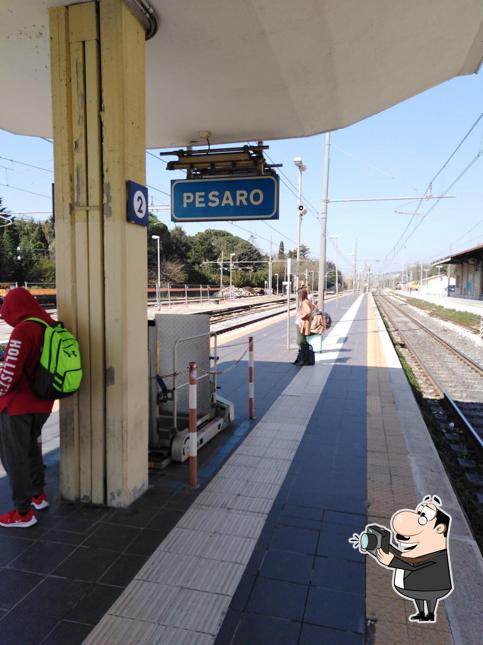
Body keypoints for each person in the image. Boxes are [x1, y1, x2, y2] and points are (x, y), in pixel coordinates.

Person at [0, 288, 55, 528]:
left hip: (18, 406)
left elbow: (9, 374)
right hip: (43, 403)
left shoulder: (23, 330)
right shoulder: (49, 326)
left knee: (14, 457)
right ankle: (37, 496)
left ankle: (23, 513)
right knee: (31, 449)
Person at [292, 287, 314, 365]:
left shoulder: (304, 302)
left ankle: (304, 359)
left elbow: (308, 311)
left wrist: (301, 317)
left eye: (298, 294)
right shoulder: (307, 301)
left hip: (301, 324)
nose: (297, 296)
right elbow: (312, 308)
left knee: (300, 341)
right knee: (303, 341)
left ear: (301, 294)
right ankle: (303, 359)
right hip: (303, 324)